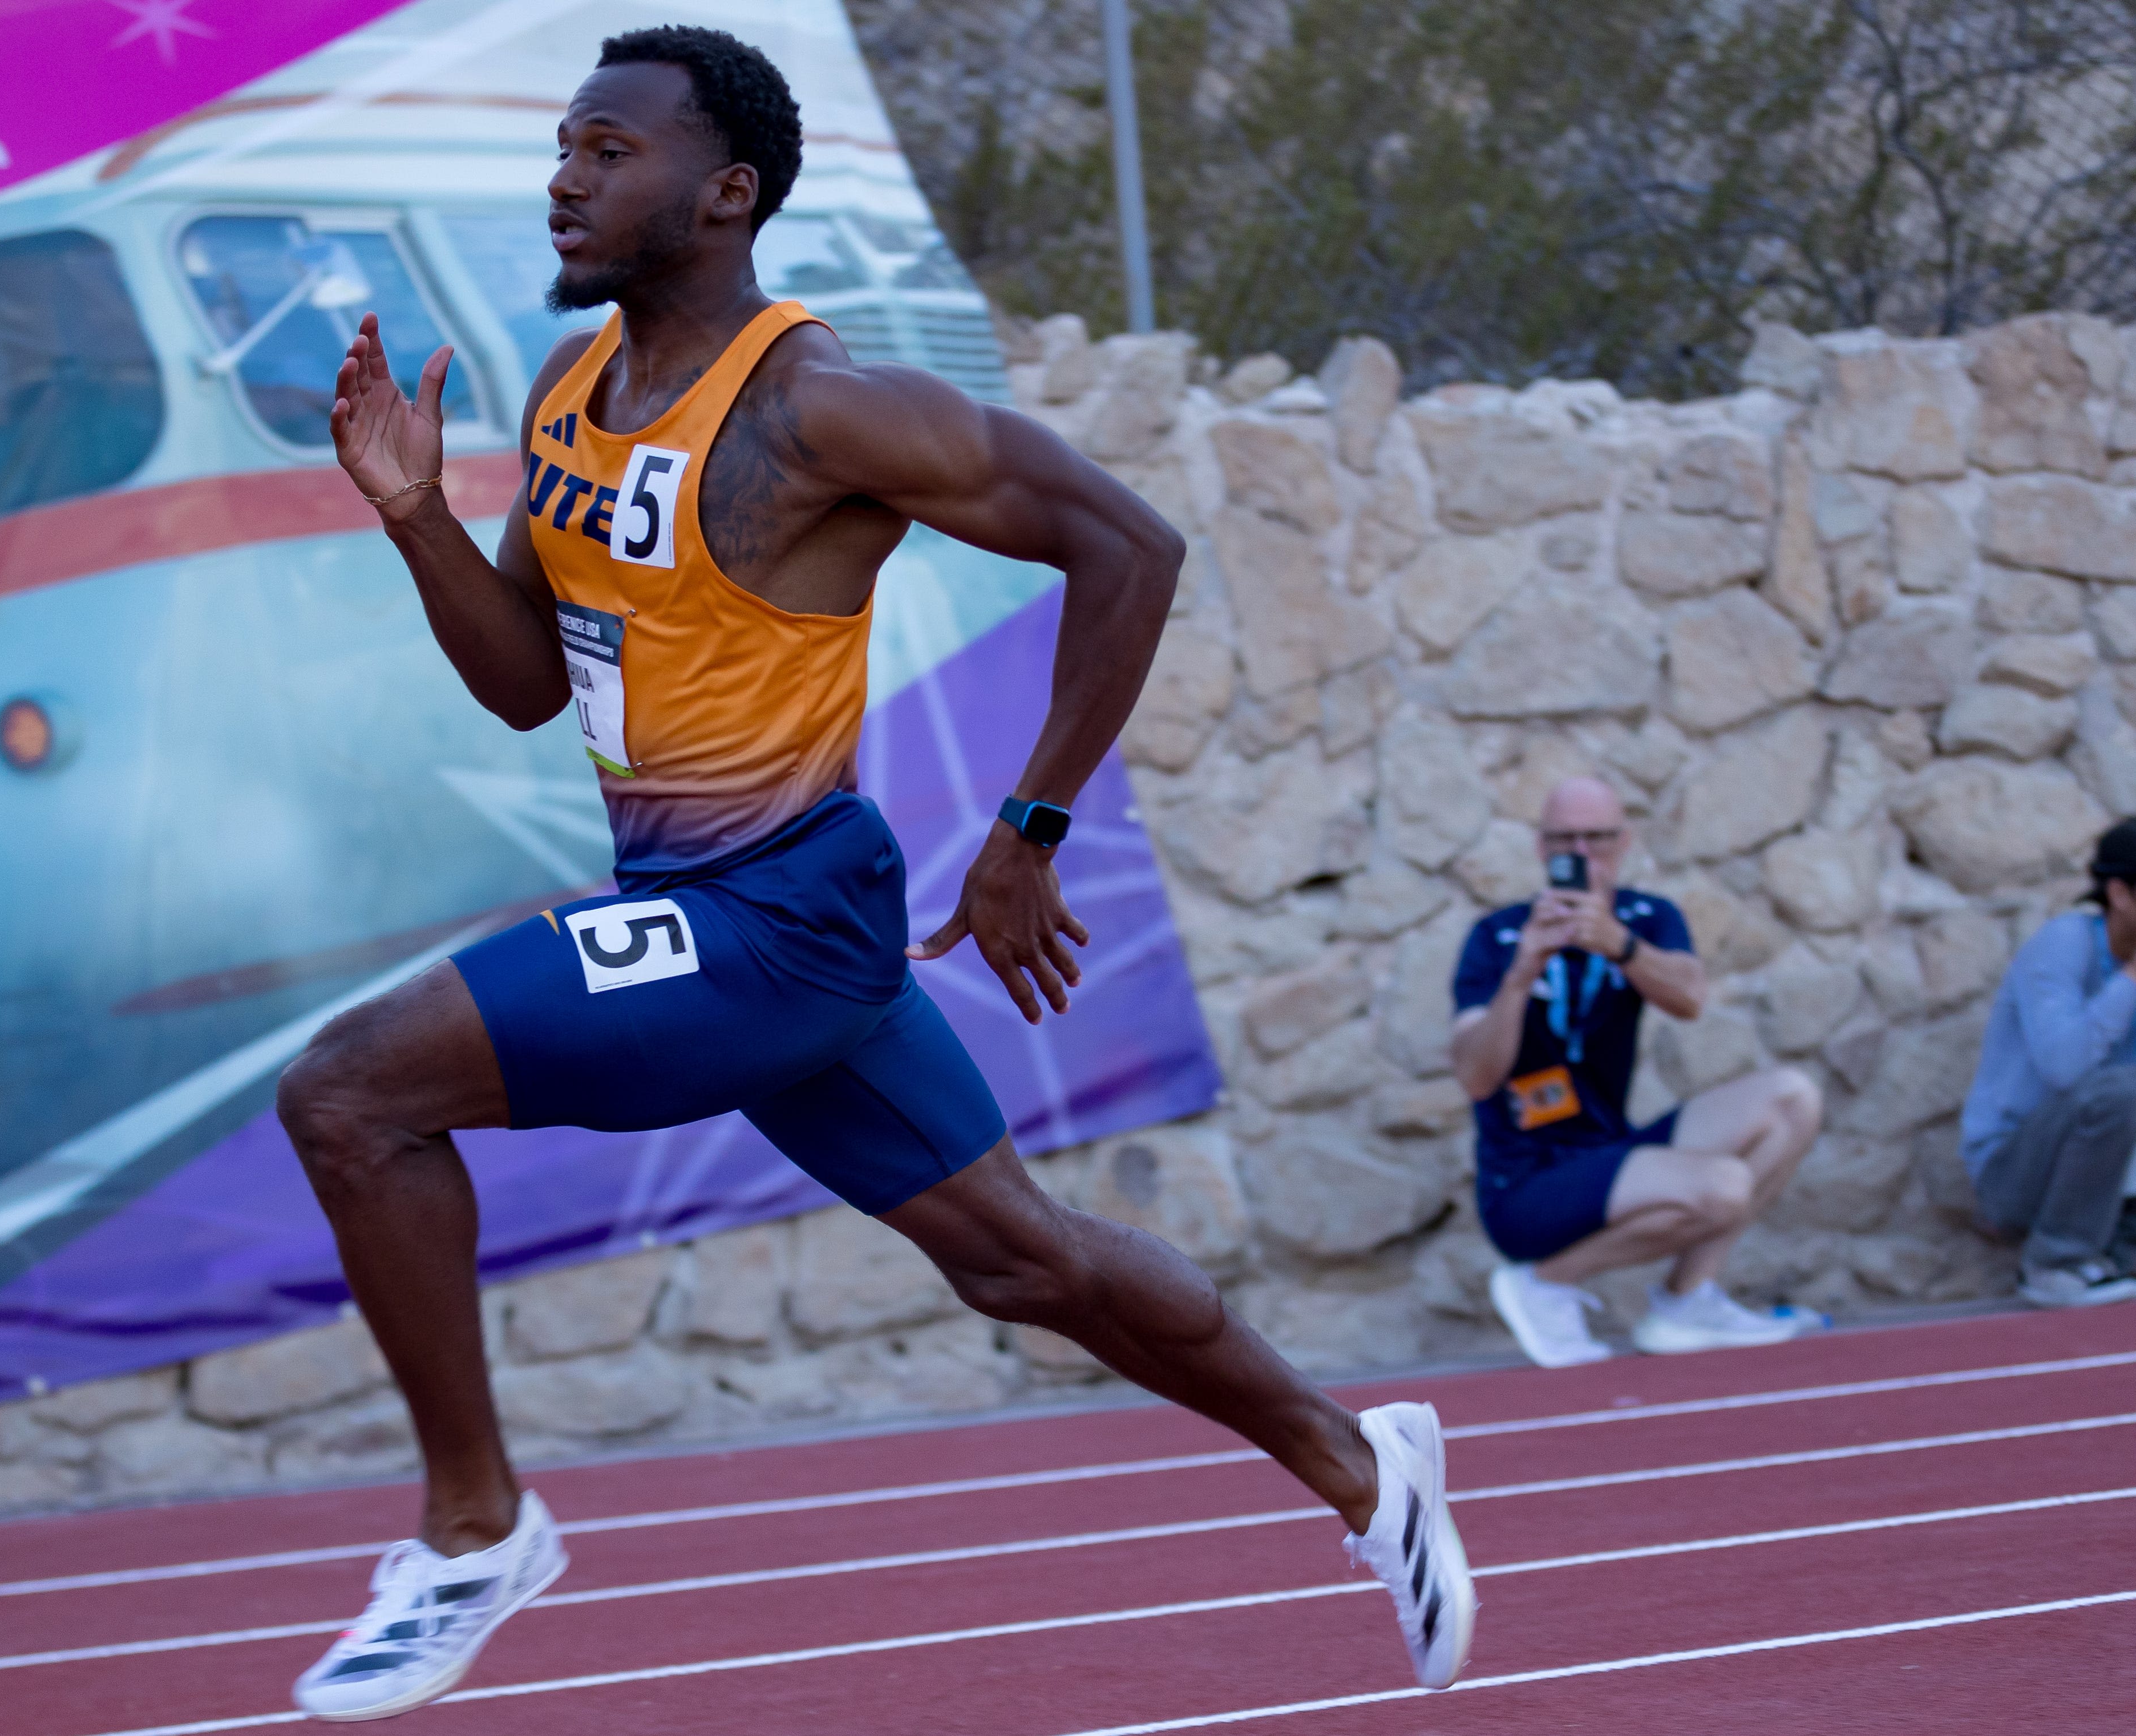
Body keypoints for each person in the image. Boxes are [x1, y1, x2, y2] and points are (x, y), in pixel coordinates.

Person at [271, 26, 1474, 1721]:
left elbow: (1130, 544)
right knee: (1024, 1264)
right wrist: (413, 521)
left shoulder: (815, 407)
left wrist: (1030, 828)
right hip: (745, 922)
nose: (566, 176)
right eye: (564, 144)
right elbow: (533, 682)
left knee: (349, 1096)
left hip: (765, 918)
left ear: (725, 194)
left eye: (610, 151)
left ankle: (476, 1534)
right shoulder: (564, 399)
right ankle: (1363, 1463)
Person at [1450, 777, 1825, 1367]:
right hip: (1524, 1184)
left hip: (1611, 1152)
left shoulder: (1645, 918)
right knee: (1724, 1186)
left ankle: (1686, 1299)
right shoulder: (1497, 937)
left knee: (1791, 1098)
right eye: (1564, 840)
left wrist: (1619, 945)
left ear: (1624, 842)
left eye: (1596, 838)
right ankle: (1545, 1281)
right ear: (1540, 847)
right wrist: (1522, 973)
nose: (1581, 855)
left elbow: (1691, 999)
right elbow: (1474, 1076)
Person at [1960, 819, 2136, 1308]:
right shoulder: (2065, 944)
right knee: (2124, 1090)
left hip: (2110, 1187)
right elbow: (2066, 1069)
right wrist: (2132, 978)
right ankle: (2055, 1264)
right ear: (2120, 892)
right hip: (2013, 1180)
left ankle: (2120, 1250)